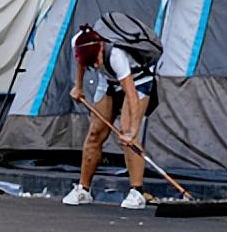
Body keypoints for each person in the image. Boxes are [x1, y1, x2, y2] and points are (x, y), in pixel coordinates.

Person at [62, 15, 160, 209]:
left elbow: (131, 95)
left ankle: (137, 192)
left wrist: (132, 131)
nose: (95, 66)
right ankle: (83, 189)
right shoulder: (78, 42)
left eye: (96, 61)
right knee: (95, 133)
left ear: (100, 48)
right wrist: (78, 86)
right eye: (92, 65)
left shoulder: (116, 56)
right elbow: (81, 62)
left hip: (137, 81)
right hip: (108, 82)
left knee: (126, 132)